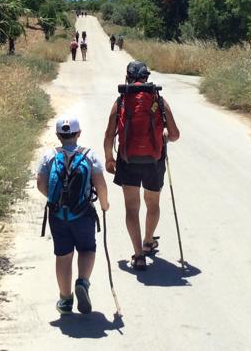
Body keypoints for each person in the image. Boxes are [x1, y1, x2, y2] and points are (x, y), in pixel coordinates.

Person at [103, 61, 180, 271]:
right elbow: (175, 135)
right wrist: (164, 135)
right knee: (152, 204)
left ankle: (138, 256)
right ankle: (148, 241)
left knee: (131, 207)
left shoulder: (121, 101)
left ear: (127, 77)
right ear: (146, 77)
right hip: (154, 161)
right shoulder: (159, 101)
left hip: (127, 160)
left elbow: (109, 135)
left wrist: (109, 158)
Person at [37, 117, 110, 314]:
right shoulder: (89, 155)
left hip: (57, 215)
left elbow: (41, 184)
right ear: (78, 134)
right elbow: (100, 185)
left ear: (58, 135)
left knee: (63, 255)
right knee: (87, 249)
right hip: (83, 213)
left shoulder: (49, 156)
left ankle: (65, 300)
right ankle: (83, 282)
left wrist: (57, 200)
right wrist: (104, 205)